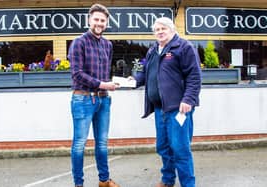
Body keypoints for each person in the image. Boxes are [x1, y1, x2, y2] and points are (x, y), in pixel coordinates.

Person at [133, 17, 201, 187]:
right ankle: (168, 180)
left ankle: (188, 184)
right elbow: (146, 73)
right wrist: (133, 80)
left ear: (172, 30)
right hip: (159, 109)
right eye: (156, 30)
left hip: (179, 109)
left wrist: (188, 99)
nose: (160, 32)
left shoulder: (184, 47)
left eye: (163, 28)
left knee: (180, 149)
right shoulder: (153, 50)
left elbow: (194, 76)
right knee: (163, 147)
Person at [67, 3, 120, 187]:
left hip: (103, 100)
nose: (99, 23)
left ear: (106, 23)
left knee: (102, 143)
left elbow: (105, 73)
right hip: (83, 99)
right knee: (79, 144)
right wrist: (103, 84)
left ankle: (104, 181)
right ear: (89, 20)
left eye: (103, 20)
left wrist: (119, 81)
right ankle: (78, 184)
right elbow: (77, 73)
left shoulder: (108, 44)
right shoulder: (78, 42)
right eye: (96, 19)